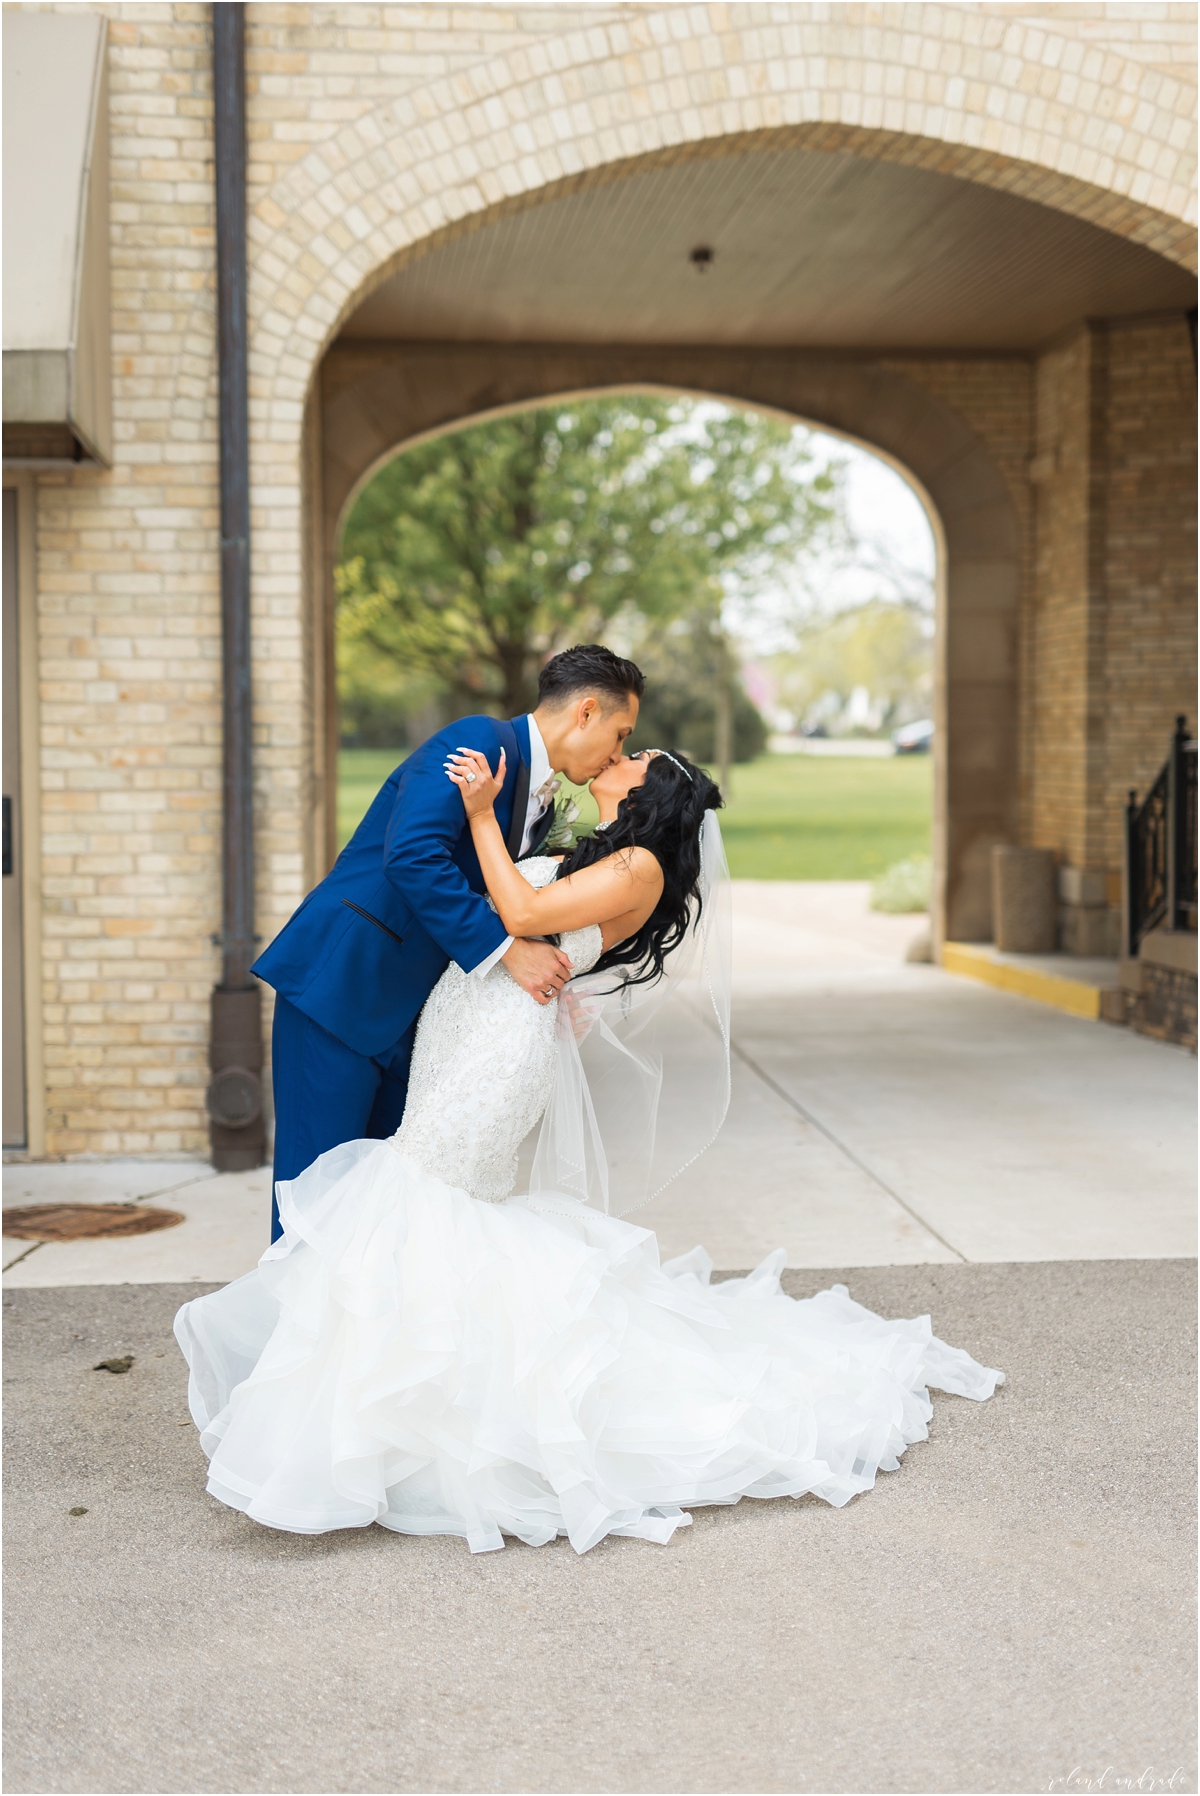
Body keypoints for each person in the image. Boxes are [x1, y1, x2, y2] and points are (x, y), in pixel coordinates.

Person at [176, 737, 1003, 1555]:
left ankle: (371, 1423)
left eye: (638, 754)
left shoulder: (640, 866)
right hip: (466, 1027)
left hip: (502, 1050)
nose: (623, 752)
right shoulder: (598, 848)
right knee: (430, 1208)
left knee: (419, 1195)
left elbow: (524, 914)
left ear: (656, 791)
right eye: (624, 739)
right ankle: (393, 1410)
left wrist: (477, 817)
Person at [251, 643, 643, 1239]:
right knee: (315, 1196)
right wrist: (509, 952)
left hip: (408, 1016)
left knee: (377, 1201)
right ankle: (289, 1332)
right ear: (585, 712)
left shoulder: (541, 798)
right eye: (620, 734)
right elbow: (412, 854)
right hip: (343, 985)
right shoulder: (481, 741)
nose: (617, 753)